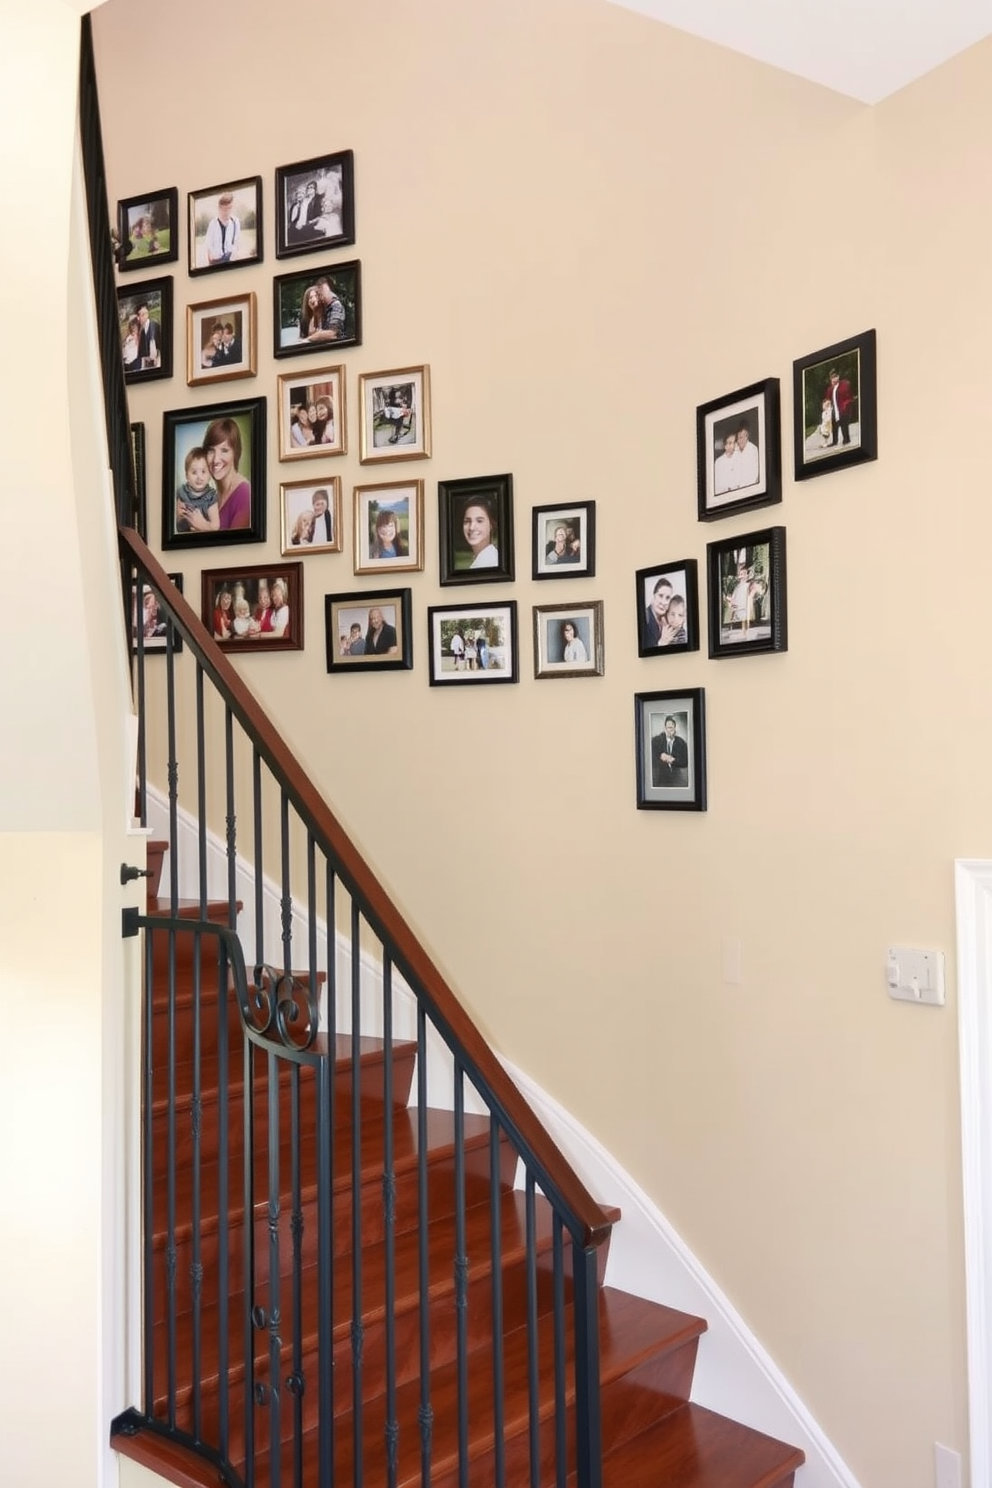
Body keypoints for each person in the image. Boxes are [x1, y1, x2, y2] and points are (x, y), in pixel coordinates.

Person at [178, 417, 251, 533]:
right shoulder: (210, 495)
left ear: (235, 453)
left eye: (224, 450)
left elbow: (236, 548)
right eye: (211, 451)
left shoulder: (245, 493)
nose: (216, 459)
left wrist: (204, 527)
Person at [175, 446, 218, 533]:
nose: (199, 477)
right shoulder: (181, 492)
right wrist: (178, 516)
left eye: (203, 471)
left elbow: (215, 526)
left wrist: (202, 526)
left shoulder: (211, 497)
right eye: (194, 472)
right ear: (187, 476)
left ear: (210, 475)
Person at [303, 276, 346, 344]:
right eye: (311, 297)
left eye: (316, 295)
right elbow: (311, 334)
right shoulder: (321, 311)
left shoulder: (335, 305)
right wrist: (314, 311)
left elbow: (332, 334)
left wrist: (308, 340)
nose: (314, 299)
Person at [205, 192, 241, 266]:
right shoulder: (213, 224)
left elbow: (236, 242)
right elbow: (208, 246)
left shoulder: (235, 222)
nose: (227, 212)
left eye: (229, 208)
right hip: (216, 261)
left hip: (230, 259)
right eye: (224, 209)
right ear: (219, 208)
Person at [652, 716, 688, 788]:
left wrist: (672, 760)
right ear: (665, 729)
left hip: (676, 778)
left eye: (671, 728)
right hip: (661, 779)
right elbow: (652, 757)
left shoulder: (681, 742)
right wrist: (661, 757)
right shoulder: (657, 741)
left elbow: (685, 762)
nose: (669, 730)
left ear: (675, 729)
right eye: (668, 728)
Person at [462, 498, 498, 568]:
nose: (471, 527)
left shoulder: (489, 562)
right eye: (467, 521)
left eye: (479, 521)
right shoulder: (481, 559)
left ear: (491, 525)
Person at [825, 366, 854, 446]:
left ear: (838, 377)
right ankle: (834, 441)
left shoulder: (844, 385)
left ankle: (846, 439)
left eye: (835, 377)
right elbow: (827, 399)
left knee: (844, 425)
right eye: (832, 378)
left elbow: (850, 397)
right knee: (834, 426)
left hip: (843, 408)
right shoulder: (830, 389)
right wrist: (826, 404)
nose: (833, 379)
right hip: (834, 410)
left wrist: (846, 405)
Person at [644, 576, 673, 645]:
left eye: (667, 598)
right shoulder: (645, 618)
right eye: (660, 596)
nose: (663, 602)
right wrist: (661, 643)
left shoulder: (667, 619)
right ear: (654, 596)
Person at [713, 431, 740, 496]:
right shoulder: (719, 462)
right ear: (725, 446)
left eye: (734, 443)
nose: (733, 446)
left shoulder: (739, 457)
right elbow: (717, 485)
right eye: (730, 443)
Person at [735, 423, 760, 488]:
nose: (740, 440)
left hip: (749, 487)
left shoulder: (753, 449)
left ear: (747, 436)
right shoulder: (735, 450)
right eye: (738, 438)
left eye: (742, 437)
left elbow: (755, 473)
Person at [137, 302, 160, 368]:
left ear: (146, 315)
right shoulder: (142, 331)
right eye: (138, 315)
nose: (139, 318)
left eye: (141, 315)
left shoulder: (155, 326)